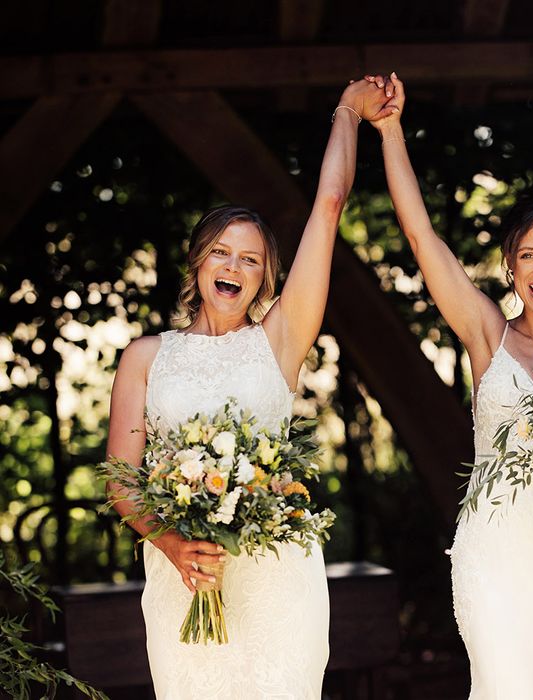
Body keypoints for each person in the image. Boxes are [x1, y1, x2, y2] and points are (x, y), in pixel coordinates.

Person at [105, 80, 395, 699]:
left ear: (266, 278)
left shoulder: (279, 342)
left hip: (276, 582)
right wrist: (176, 545)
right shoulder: (145, 357)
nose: (233, 267)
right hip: (183, 579)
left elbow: (329, 204)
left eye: (251, 260)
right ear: (196, 264)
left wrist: (348, 111)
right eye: (220, 253)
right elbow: (121, 483)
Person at [365, 72, 533, 699]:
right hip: (496, 557)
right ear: (509, 265)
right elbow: (421, 238)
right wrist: (390, 130)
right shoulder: (487, 335)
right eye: (528, 255)